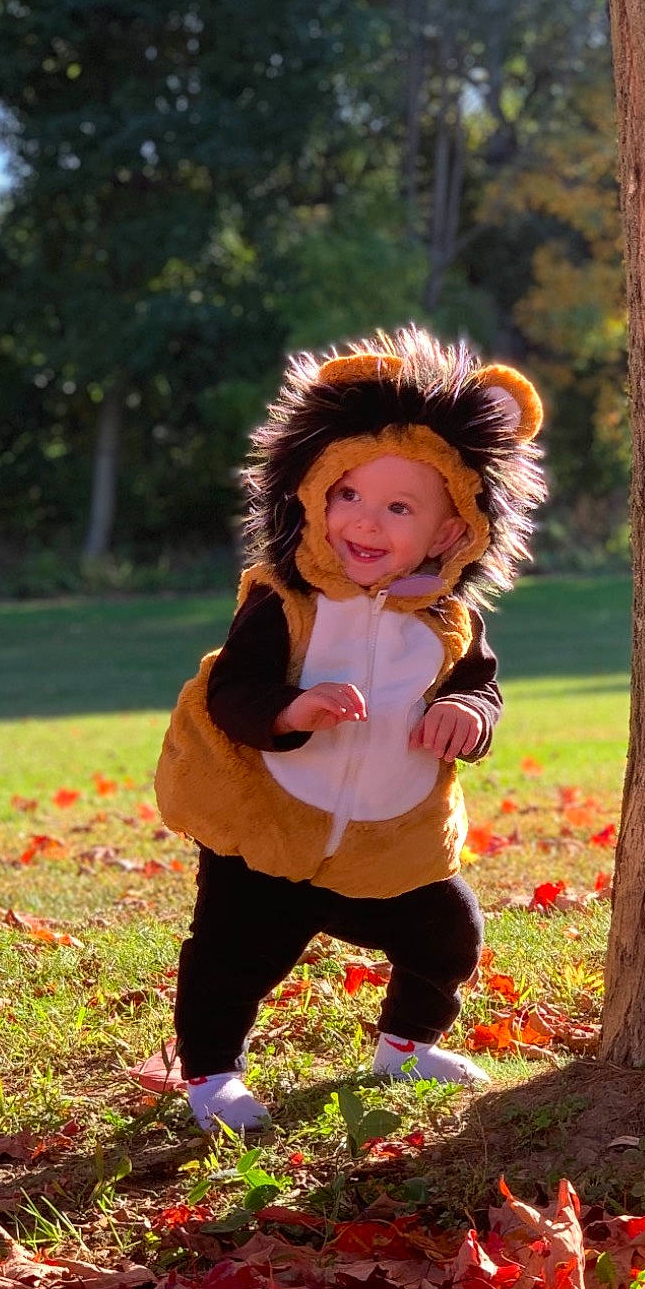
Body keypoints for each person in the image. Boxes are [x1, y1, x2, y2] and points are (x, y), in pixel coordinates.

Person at [155, 326, 547, 1133]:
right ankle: (212, 1075)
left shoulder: (448, 624)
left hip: (385, 840)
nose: (364, 523)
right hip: (273, 833)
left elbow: (483, 691)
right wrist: (291, 711)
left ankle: (404, 1045)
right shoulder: (286, 600)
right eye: (347, 495)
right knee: (230, 957)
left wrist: (464, 716)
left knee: (449, 934)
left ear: (450, 529)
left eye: (398, 507)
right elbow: (233, 690)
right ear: (310, 492)